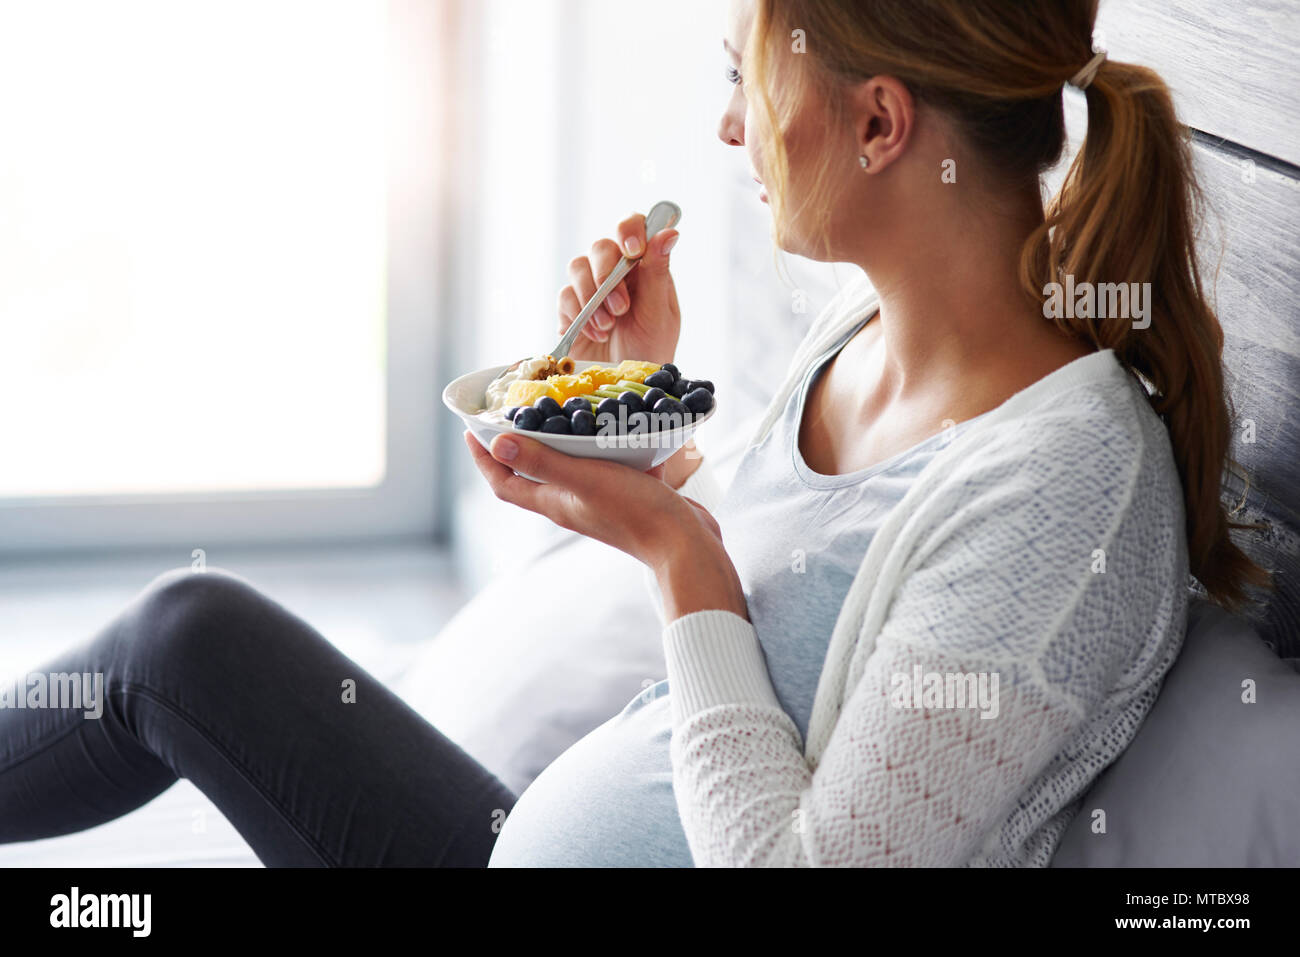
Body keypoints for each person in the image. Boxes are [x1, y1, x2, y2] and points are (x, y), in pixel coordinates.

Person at [0, 0, 1269, 867]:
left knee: (181, 643)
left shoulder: (1065, 493)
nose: (730, 131)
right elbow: (788, 603)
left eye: (742, 78)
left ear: (882, 126)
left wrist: (675, 554)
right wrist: (629, 407)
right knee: (191, 634)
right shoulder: (858, 334)